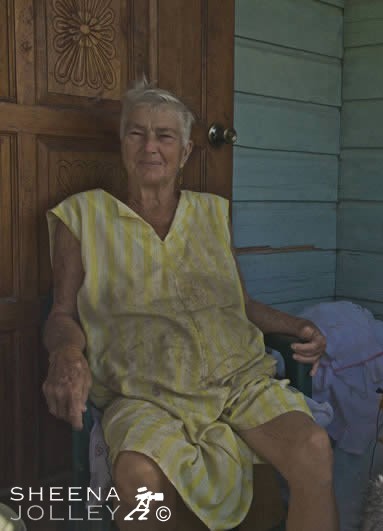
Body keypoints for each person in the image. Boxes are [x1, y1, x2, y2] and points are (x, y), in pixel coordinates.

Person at [41, 80, 338, 531]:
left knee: (312, 447)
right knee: (139, 480)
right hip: (142, 390)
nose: (150, 146)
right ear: (122, 144)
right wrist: (66, 353)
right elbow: (62, 313)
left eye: (164, 135)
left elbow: (239, 302)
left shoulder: (211, 213)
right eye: (136, 133)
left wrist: (297, 326)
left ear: (185, 152)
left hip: (235, 380)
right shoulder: (82, 216)